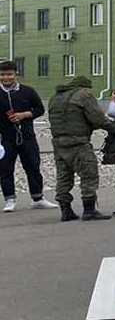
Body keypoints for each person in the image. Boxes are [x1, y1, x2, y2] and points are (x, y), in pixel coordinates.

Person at [47, 74, 114, 221]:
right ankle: (89, 210)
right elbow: (97, 118)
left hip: (58, 143)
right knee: (89, 174)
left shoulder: (55, 98)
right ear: (84, 86)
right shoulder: (84, 95)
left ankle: (66, 211)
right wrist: (112, 127)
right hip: (78, 142)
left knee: (63, 176)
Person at [1, 60, 57, 212]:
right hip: (5, 138)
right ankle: (9, 199)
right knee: (5, 169)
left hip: (27, 136)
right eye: (3, 75)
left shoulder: (28, 91)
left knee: (33, 166)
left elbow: (39, 109)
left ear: (15, 74)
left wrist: (25, 114)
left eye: (9, 74)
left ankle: (38, 198)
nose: (6, 78)